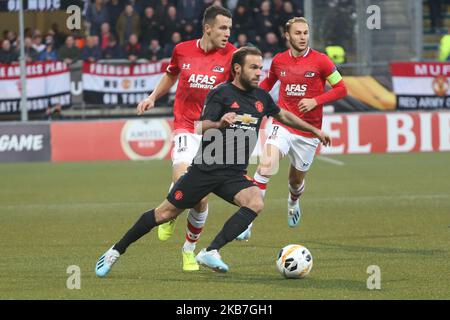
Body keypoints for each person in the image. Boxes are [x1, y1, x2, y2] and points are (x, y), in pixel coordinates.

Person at [94, 46, 331, 276]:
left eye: (261, 67)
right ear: (237, 69)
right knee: (164, 214)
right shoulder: (221, 93)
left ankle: (210, 251)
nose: (259, 72)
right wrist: (219, 123)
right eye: (254, 67)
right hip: (205, 169)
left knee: (255, 201)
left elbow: (284, 115)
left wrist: (316, 131)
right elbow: (199, 126)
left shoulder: (261, 97)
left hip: (233, 174)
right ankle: (116, 250)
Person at [134, 5, 236, 272]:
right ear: (208, 28)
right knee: (183, 181)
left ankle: (188, 249)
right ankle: (171, 210)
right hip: (185, 126)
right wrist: (152, 97)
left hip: (213, 132)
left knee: (201, 197)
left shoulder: (232, 55)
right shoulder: (182, 50)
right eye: (223, 28)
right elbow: (171, 74)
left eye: (230, 28)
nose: (227, 33)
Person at [237, 17, 347, 240]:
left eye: (305, 33)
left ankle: (293, 201)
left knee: (295, 182)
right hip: (283, 123)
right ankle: (247, 220)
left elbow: (342, 89)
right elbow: (268, 84)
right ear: (287, 35)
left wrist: (316, 101)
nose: (303, 37)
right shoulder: (279, 61)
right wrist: (253, 100)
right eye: (298, 33)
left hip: (309, 131)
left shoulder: (322, 61)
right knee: (266, 165)